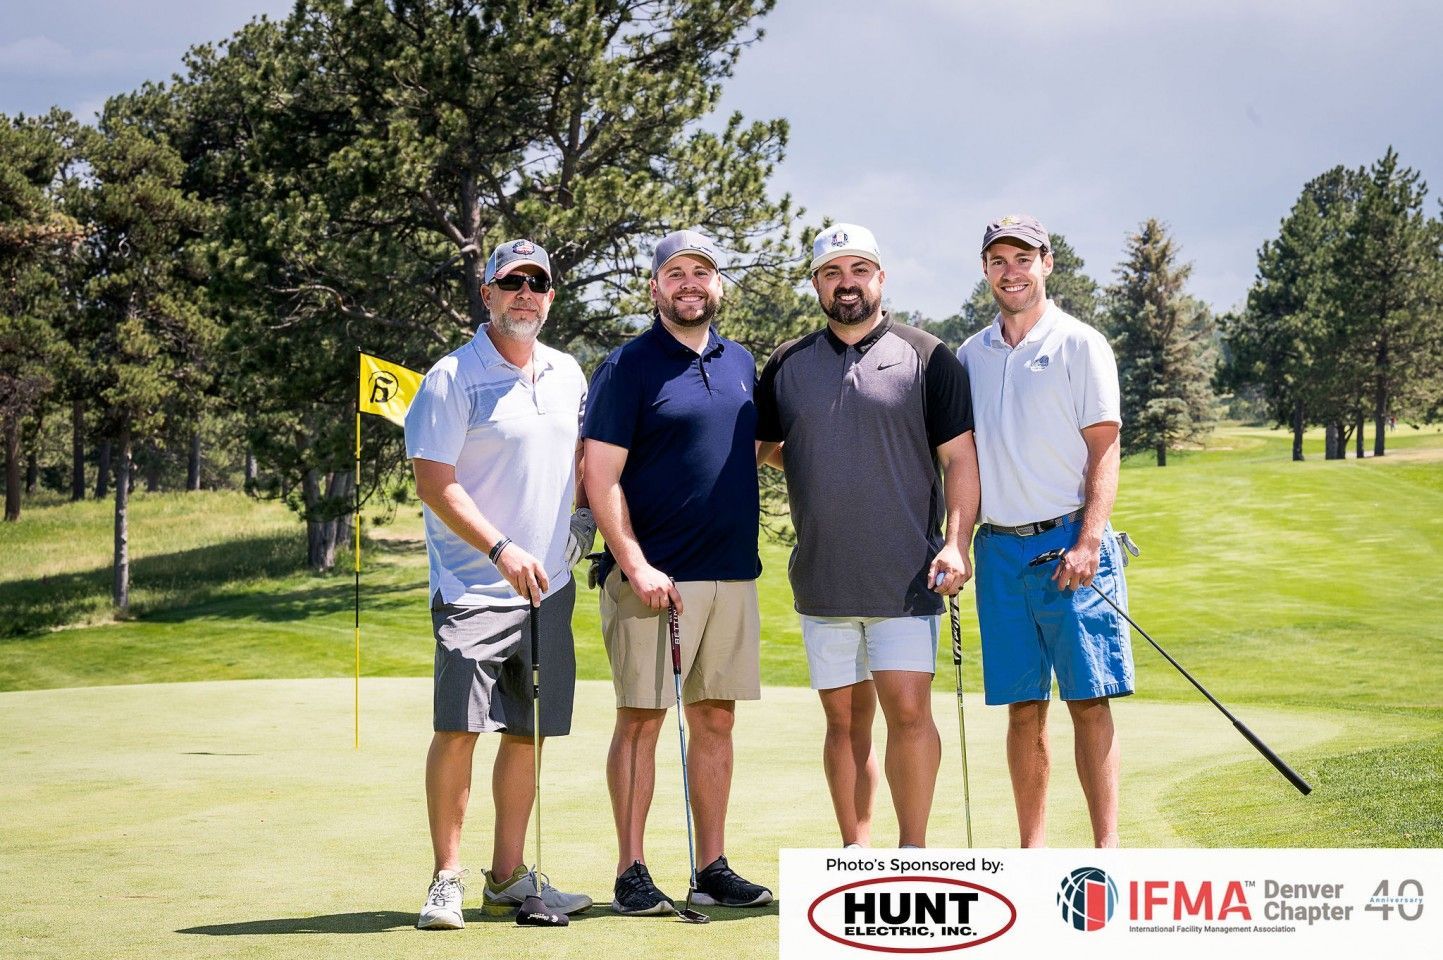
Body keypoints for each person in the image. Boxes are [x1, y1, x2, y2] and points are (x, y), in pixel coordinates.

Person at [755, 223, 980, 849]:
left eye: (858, 270)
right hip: (823, 578)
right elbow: (765, 448)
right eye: (831, 273)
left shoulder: (930, 356)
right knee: (843, 725)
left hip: (905, 577)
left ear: (880, 278)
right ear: (817, 285)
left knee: (909, 716)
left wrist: (957, 543)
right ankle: (856, 855)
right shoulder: (787, 364)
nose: (846, 284)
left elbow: (960, 460)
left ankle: (913, 853)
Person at [404, 238, 596, 929]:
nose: (525, 293)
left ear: (549, 297)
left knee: (527, 732)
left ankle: (508, 876)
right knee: (459, 729)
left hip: (549, 587)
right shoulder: (453, 377)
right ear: (486, 293)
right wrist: (500, 547)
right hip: (474, 590)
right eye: (510, 281)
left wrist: (581, 520)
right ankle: (445, 879)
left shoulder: (567, 372)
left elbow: (580, 460)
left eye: (536, 283)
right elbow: (434, 480)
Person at [582, 229, 773, 915]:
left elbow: (761, 448)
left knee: (714, 719)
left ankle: (711, 866)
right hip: (651, 579)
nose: (689, 284)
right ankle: (631, 870)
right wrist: (633, 563)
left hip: (731, 573)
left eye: (702, 272)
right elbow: (598, 475)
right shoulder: (628, 365)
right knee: (641, 721)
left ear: (719, 284)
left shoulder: (741, 362)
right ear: (655, 286)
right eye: (675, 273)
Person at [957, 214, 1135, 848]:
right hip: (1000, 548)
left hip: (1069, 545)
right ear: (986, 269)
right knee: (1022, 707)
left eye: (1023, 258)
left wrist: (1090, 540)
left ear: (1046, 263)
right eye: (999, 260)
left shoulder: (1081, 343)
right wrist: (957, 540)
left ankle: (1106, 851)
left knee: (1089, 700)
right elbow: (964, 461)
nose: (1012, 271)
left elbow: (1105, 449)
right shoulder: (969, 355)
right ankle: (1032, 852)